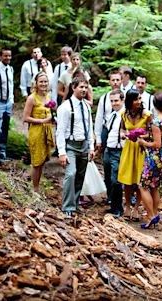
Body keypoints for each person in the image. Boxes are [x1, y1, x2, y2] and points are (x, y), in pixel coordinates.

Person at [56, 73, 95, 217]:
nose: (84, 90)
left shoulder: (86, 106)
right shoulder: (65, 107)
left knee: (80, 176)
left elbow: (89, 128)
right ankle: (67, 206)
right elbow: (59, 131)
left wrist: (91, 147)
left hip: (84, 145)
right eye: (81, 87)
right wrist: (61, 152)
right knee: (70, 174)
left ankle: (75, 206)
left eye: (86, 87)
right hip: (70, 146)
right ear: (73, 88)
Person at [137, 92, 162, 229]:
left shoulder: (155, 122)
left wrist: (143, 143)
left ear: (154, 104)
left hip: (153, 157)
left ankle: (150, 216)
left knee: (143, 186)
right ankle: (155, 214)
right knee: (154, 186)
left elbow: (156, 144)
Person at [117, 89, 153, 221]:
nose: (139, 101)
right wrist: (122, 133)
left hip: (141, 148)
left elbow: (151, 134)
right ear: (129, 101)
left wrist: (139, 136)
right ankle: (127, 207)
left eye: (140, 98)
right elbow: (122, 128)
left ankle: (136, 208)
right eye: (136, 99)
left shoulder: (146, 114)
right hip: (128, 148)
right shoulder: (124, 114)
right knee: (127, 180)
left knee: (139, 181)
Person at [22, 72, 56, 193]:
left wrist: (53, 118)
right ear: (36, 83)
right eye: (41, 81)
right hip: (36, 132)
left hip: (46, 131)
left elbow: (49, 113)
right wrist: (43, 120)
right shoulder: (32, 98)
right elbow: (26, 118)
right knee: (36, 161)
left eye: (45, 82)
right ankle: (34, 188)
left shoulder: (48, 96)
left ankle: (38, 185)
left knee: (42, 160)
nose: (43, 84)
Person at [95, 70, 123, 204]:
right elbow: (99, 119)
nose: (115, 82)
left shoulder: (126, 97)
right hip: (108, 131)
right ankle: (110, 196)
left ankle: (127, 196)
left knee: (121, 166)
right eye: (113, 80)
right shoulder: (104, 98)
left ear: (122, 81)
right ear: (109, 82)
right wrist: (99, 139)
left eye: (118, 79)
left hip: (123, 133)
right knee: (107, 164)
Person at [103, 89, 126, 216]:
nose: (114, 103)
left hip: (118, 151)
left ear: (122, 100)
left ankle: (118, 208)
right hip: (108, 149)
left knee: (116, 180)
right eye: (112, 101)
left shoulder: (125, 116)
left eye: (116, 101)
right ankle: (113, 205)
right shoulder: (112, 115)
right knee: (108, 178)